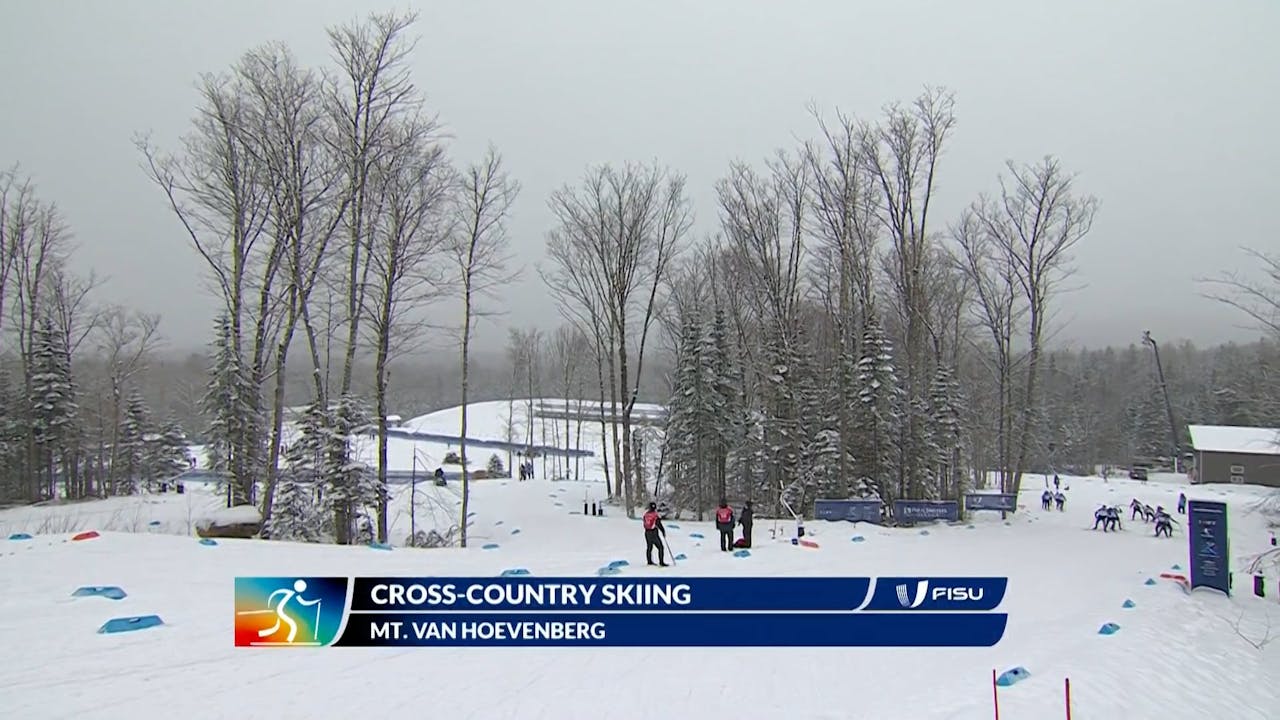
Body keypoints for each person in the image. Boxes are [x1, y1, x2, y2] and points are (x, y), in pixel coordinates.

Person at [642, 502, 668, 566]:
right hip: (654, 533)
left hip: (647, 532)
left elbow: (644, 523)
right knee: (660, 547)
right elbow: (659, 524)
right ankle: (661, 562)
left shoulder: (646, 514)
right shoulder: (655, 515)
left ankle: (649, 561)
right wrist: (663, 531)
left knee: (649, 547)